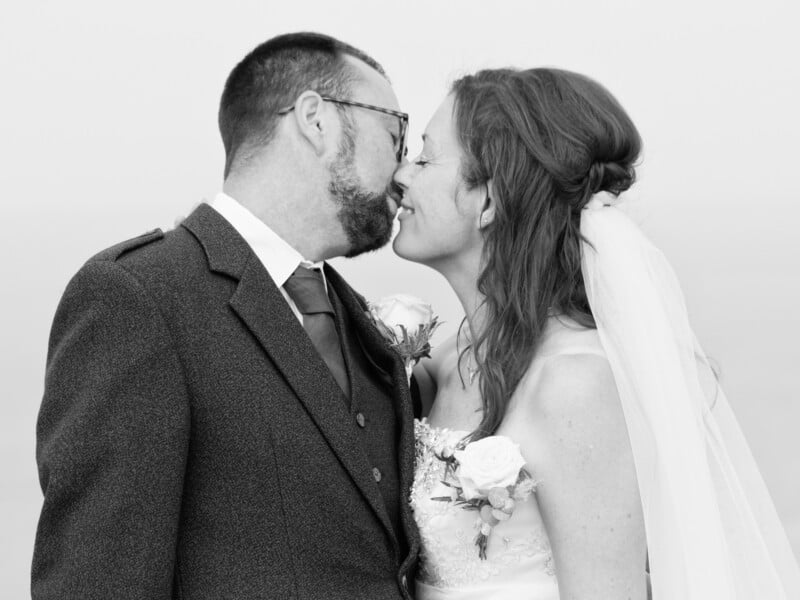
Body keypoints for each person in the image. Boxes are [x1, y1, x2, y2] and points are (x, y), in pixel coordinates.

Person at [32, 32, 419, 599]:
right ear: (316, 119)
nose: (404, 171)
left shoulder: (355, 316)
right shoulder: (141, 296)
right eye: (396, 135)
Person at [393, 67, 800, 599]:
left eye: (425, 158)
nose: (402, 174)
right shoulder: (449, 359)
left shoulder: (575, 384)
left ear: (488, 201)